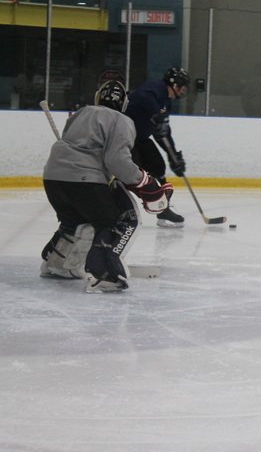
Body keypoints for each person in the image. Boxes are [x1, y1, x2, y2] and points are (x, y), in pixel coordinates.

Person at [41, 80, 173, 293]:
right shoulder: (122, 120)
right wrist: (144, 181)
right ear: (124, 104)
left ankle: (57, 264)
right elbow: (117, 161)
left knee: (76, 221)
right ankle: (104, 274)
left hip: (53, 178)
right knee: (114, 222)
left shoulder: (81, 113)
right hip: (84, 180)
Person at [125, 67, 190, 227]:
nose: (184, 90)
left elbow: (162, 132)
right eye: (183, 86)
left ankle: (162, 209)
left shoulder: (167, 102)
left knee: (157, 167)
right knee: (131, 173)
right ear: (174, 83)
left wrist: (173, 156)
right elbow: (142, 96)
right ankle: (120, 210)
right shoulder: (156, 88)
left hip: (140, 138)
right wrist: (154, 113)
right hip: (124, 138)